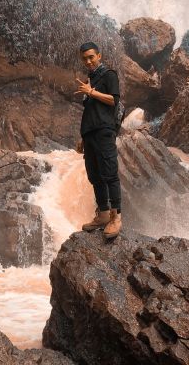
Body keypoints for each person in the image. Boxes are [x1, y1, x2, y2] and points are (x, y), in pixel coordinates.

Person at [75, 41, 122, 239]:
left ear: (99, 56)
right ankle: (102, 214)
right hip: (90, 133)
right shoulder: (90, 79)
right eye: (85, 58)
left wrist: (91, 92)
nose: (88, 61)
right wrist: (83, 137)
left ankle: (116, 217)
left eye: (91, 57)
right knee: (95, 175)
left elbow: (114, 100)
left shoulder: (109, 75)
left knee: (110, 173)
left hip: (104, 131)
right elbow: (91, 111)